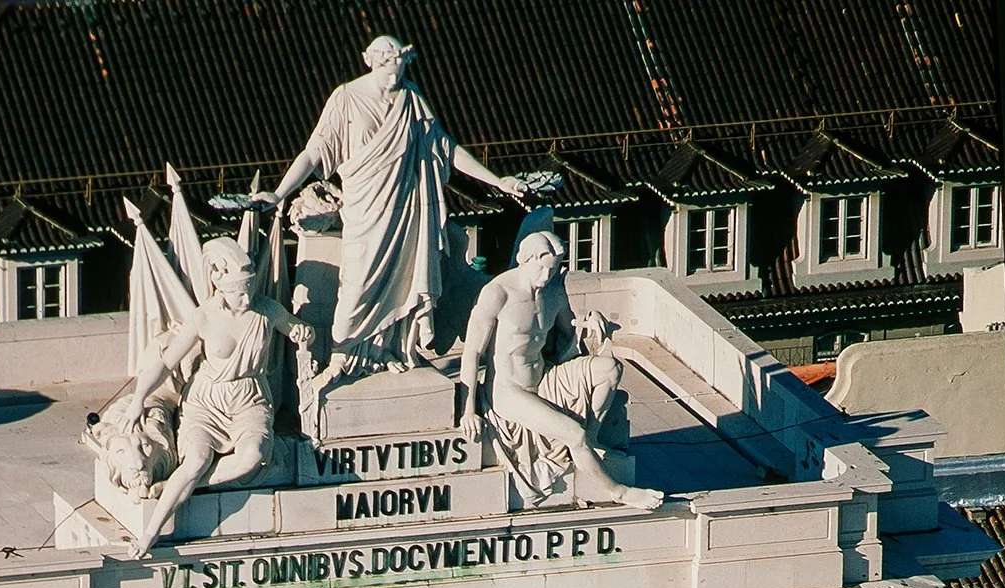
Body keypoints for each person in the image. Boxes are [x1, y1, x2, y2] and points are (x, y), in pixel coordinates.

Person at [273, 34, 527, 373]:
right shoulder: (347, 98)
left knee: (405, 284)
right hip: (365, 210)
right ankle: (344, 352)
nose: (396, 75)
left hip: (407, 213)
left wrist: (497, 180)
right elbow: (315, 151)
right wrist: (278, 193)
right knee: (356, 288)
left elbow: (446, 148)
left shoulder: (411, 97)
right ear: (372, 61)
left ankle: (391, 350)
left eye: (401, 66)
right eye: (388, 66)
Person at [123, 237, 312, 556]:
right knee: (196, 458)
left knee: (252, 456)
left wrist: (302, 332)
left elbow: (297, 328)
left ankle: (187, 484)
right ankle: (150, 533)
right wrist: (138, 398)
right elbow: (166, 363)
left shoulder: (266, 311)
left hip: (249, 398)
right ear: (219, 281)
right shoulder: (204, 317)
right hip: (207, 401)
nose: (247, 297)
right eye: (240, 291)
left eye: (250, 289)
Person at [458, 232, 663, 510]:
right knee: (572, 433)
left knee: (609, 368)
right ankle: (620, 492)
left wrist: (593, 320)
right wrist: (469, 410)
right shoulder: (498, 293)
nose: (545, 275)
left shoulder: (553, 290)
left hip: (544, 377)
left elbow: (570, 330)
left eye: (552, 268)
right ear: (524, 259)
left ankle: (591, 443)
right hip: (509, 391)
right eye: (541, 268)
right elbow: (472, 352)